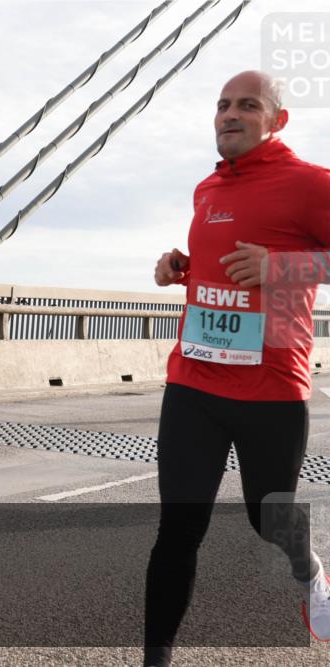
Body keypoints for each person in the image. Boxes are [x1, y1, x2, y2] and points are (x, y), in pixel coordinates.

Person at [145, 70, 330, 665]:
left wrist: (282, 267)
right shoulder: (208, 188)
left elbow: (284, 263)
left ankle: (310, 571)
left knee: (268, 518)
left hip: (272, 388)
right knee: (179, 528)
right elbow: (223, 270)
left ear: (278, 120)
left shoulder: (310, 183)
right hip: (194, 382)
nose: (230, 114)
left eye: (247, 105)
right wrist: (181, 269)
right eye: (223, 104)